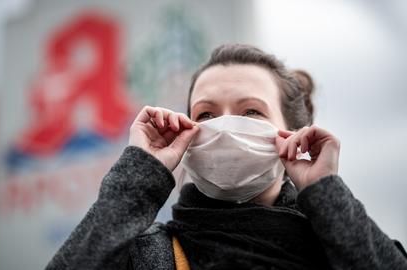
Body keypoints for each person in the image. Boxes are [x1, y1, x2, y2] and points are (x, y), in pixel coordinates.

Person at [45, 44, 407, 269]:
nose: (227, 126)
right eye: (205, 115)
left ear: (295, 135)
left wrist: (326, 192)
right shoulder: (148, 257)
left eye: (251, 112)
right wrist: (142, 171)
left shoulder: (338, 249)